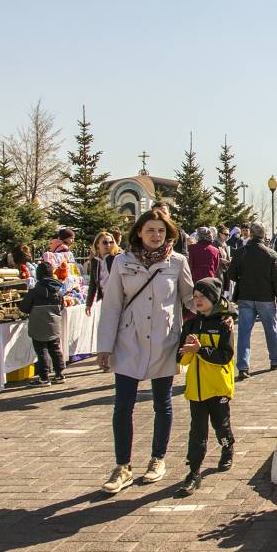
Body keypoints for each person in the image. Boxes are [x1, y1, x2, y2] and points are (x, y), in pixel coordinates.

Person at [96, 209, 195, 495]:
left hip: (164, 341)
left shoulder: (177, 262)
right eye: (150, 230)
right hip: (130, 340)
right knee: (123, 404)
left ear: (169, 234)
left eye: (161, 231)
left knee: (162, 402)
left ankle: (157, 459)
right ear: (139, 232)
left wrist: (216, 312)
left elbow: (190, 298)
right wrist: (105, 345)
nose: (156, 235)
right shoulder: (122, 262)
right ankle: (122, 466)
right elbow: (112, 304)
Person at [176, 277, 238, 496]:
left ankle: (227, 446)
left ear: (213, 298)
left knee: (221, 425)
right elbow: (182, 356)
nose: (198, 300)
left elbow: (225, 356)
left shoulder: (224, 324)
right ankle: (194, 472)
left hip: (218, 387)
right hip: (196, 389)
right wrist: (184, 353)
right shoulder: (192, 324)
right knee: (197, 431)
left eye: (202, 296)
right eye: (195, 297)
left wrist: (200, 350)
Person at [228, 221, 277, 380]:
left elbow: (231, 274)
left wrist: (243, 277)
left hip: (245, 296)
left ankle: (243, 367)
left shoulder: (241, 252)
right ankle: (276, 359)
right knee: (271, 329)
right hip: (265, 297)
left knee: (244, 333)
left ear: (252, 234)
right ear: (264, 235)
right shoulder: (270, 254)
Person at [19, 262, 66, 386]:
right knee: (55, 350)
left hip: (38, 327)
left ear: (38, 275)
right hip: (54, 326)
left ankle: (44, 378)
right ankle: (60, 374)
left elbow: (24, 308)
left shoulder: (34, 292)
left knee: (42, 351)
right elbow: (62, 307)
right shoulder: (58, 292)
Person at [86, 231, 121, 316]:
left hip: (118, 299)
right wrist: (88, 304)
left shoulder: (117, 258)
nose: (108, 245)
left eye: (111, 242)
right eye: (105, 242)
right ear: (98, 244)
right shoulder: (94, 261)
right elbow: (93, 284)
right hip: (104, 298)